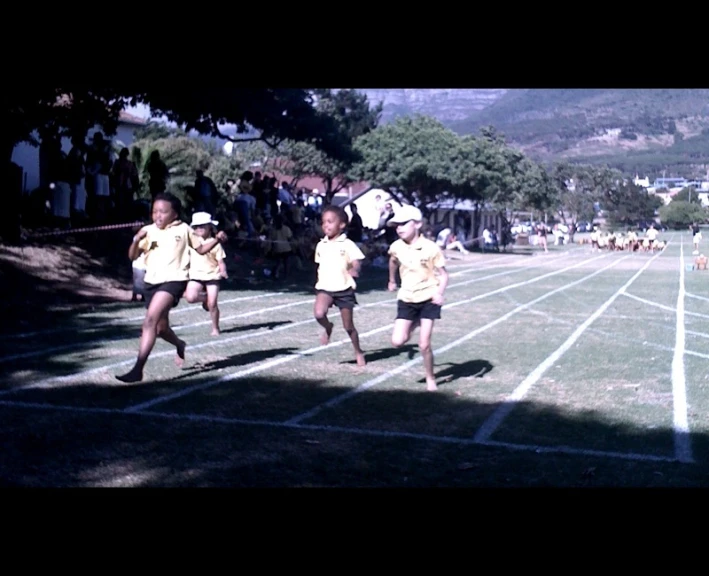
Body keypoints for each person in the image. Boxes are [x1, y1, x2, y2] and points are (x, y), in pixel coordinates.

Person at [116, 193, 227, 383]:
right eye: (154, 211)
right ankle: (179, 344)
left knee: (149, 321)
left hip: (174, 281)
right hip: (151, 282)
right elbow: (132, 256)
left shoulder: (184, 229)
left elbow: (200, 249)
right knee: (161, 328)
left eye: (163, 212)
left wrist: (217, 239)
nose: (158, 216)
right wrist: (136, 239)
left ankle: (138, 369)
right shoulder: (148, 230)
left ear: (175, 214)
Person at [387, 205, 449, 391]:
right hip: (407, 297)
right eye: (396, 224)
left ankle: (430, 378)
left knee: (424, 344)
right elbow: (392, 261)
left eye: (404, 223)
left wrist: (439, 293)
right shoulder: (396, 247)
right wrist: (391, 280)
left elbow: (444, 275)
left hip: (428, 298)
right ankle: (415, 322)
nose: (399, 228)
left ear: (418, 224)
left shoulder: (430, 248)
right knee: (397, 342)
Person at [313, 205, 367, 366]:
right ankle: (328, 326)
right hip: (325, 287)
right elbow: (319, 264)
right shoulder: (321, 244)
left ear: (342, 224)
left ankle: (358, 350)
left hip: (344, 288)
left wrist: (354, 270)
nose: (326, 226)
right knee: (319, 313)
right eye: (323, 222)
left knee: (348, 326)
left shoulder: (348, 244)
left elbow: (356, 261)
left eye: (330, 222)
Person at [183, 212, 228, 336]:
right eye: (197, 226)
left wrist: (223, 270)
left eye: (202, 226)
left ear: (210, 227)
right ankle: (205, 299)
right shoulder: (191, 241)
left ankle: (215, 328)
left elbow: (220, 261)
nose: (199, 229)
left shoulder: (215, 243)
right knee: (190, 297)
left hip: (212, 275)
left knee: (213, 304)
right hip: (195, 275)